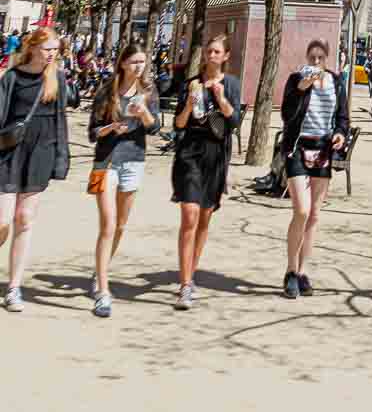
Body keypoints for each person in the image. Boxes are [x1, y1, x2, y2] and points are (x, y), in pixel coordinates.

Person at [87, 44, 161, 318]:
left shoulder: (148, 91)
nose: (139, 66)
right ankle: (103, 291)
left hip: (134, 161)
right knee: (107, 224)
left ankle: (100, 270)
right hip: (104, 163)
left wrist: (143, 114)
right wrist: (110, 128)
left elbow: (155, 128)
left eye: (142, 61)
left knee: (120, 225)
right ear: (122, 63)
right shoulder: (107, 90)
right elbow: (92, 133)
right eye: (133, 62)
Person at [0, 27, 71, 312]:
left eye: (55, 49)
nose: (51, 54)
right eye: (47, 49)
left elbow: (61, 120)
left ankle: (14, 287)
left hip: (41, 152)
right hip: (10, 152)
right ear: (32, 47)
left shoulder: (57, 79)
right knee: (3, 220)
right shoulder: (13, 77)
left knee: (25, 218)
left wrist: (60, 157)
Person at [171, 32, 241, 310]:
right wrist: (189, 104)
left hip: (215, 156)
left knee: (203, 219)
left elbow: (234, 122)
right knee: (189, 214)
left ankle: (191, 272)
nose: (211, 56)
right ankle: (185, 285)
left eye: (216, 52)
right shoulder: (191, 85)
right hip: (190, 152)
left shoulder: (231, 84)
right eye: (208, 51)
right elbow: (178, 124)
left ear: (225, 57)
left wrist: (221, 98)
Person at [279, 39, 349, 299]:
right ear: (307, 58)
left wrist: (341, 134)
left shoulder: (336, 83)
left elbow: (343, 117)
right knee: (301, 210)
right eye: (312, 58)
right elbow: (287, 115)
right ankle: (290, 270)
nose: (316, 62)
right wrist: (301, 88)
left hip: (323, 149)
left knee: (315, 215)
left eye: (321, 58)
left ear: (327, 59)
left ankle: (302, 271)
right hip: (297, 147)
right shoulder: (296, 80)